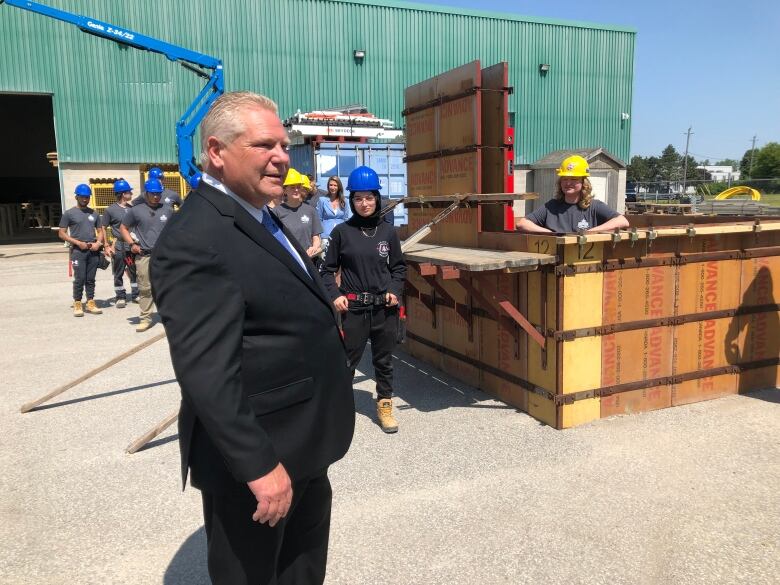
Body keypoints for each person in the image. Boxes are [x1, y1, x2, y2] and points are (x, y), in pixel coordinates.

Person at [150, 91, 355, 585]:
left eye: (284, 145)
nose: (282, 157)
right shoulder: (195, 238)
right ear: (217, 152)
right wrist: (260, 467)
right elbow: (208, 373)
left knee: (301, 572)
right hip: (262, 465)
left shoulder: (261, 217)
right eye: (265, 145)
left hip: (302, 445)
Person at [320, 165, 407, 433]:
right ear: (352, 200)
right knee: (346, 361)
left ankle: (384, 405)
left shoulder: (388, 233)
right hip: (354, 309)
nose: (364, 203)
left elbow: (399, 268)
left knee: (384, 361)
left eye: (369, 197)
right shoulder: (341, 233)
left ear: (377, 198)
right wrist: (335, 296)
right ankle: (339, 408)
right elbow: (326, 271)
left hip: (384, 308)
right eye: (358, 198)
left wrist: (394, 289)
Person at [516, 155, 630, 234]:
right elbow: (522, 224)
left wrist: (591, 232)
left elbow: (622, 221)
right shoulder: (551, 207)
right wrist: (551, 234)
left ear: (583, 182)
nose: (568, 183)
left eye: (574, 179)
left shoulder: (594, 206)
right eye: (564, 179)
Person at [120, 178, 171, 332]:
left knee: (168, 287)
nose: (156, 197)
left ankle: (170, 316)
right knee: (145, 288)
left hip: (164, 255)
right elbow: (123, 228)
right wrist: (132, 244)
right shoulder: (135, 210)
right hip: (144, 256)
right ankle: (145, 318)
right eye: (153, 194)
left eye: (158, 194)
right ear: (146, 193)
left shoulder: (167, 209)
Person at [58, 184, 104, 317]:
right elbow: (62, 233)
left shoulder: (94, 213)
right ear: (76, 197)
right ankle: (78, 303)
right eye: (82, 197)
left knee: (90, 278)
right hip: (78, 251)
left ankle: (90, 302)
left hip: (93, 250)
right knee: (80, 278)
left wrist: (98, 243)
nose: (85, 199)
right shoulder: (69, 214)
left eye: (87, 197)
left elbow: (100, 231)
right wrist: (77, 242)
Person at [101, 179, 138, 308]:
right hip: (119, 247)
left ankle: (136, 294)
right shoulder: (110, 210)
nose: (131, 194)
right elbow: (103, 228)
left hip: (131, 246)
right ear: (123, 194)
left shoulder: (132, 208)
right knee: (119, 272)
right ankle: (120, 297)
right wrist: (106, 245)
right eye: (129, 192)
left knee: (133, 270)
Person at [274, 168, 323, 259]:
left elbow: (316, 237)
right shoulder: (276, 212)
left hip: (309, 259)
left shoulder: (311, 210)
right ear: (285, 190)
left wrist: (314, 247)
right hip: (288, 259)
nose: (296, 190)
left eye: (298, 187)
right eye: (292, 187)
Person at [315, 175, 351, 255]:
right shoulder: (322, 200)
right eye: (331, 185)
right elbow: (319, 219)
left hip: (341, 235)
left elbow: (345, 219)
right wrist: (320, 237)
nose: (333, 187)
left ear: (339, 187)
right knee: (326, 260)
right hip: (326, 236)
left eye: (335, 185)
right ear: (328, 186)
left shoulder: (344, 201)